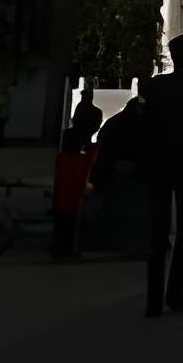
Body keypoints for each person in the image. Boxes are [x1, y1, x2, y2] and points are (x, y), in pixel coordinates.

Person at [141, 34, 183, 318]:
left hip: (158, 160)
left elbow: (146, 118)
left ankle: (153, 299)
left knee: (157, 231)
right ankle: (175, 293)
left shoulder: (154, 86)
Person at [51, 97, 104, 262]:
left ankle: (61, 247)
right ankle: (67, 248)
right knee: (71, 215)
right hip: (76, 184)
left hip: (65, 184)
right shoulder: (86, 146)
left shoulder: (67, 139)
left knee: (63, 214)